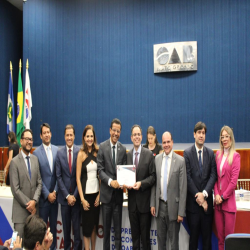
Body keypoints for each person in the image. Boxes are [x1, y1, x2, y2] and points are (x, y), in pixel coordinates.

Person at [150, 132, 187, 250]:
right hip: (159, 207)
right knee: (161, 243)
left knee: (174, 243)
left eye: (168, 142)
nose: (166, 145)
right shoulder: (157, 159)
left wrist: (181, 212)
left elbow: (183, 188)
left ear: (172, 142)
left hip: (174, 209)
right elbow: (154, 184)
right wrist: (152, 204)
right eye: (164, 142)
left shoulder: (180, 161)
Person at [184, 122, 217, 250]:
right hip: (193, 207)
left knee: (207, 242)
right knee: (193, 241)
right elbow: (187, 177)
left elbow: (213, 175)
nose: (201, 135)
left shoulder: (210, 153)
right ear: (194, 134)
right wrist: (198, 197)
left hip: (207, 207)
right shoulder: (187, 153)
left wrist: (204, 194)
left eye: (203, 133)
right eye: (199, 132)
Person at [97, 118, 127, 250]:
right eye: (114, 130)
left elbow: (125, 170)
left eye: (118, 131)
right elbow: (100, 170)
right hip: (106, 197)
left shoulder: (123, 149)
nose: (116, 133)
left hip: (118, 198)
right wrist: (110, 182)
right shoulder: (102, 147)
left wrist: (125, 182)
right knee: (107, 232)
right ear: (110, 130)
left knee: (118, 232)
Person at [126, 125, 156, 250]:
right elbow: (125, 176)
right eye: (135, 135)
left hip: (144, 206)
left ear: (141, 137)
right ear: (131, 138)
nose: (137, 137)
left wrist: (141, 184)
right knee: (135, 240)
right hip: (132, 205)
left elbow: (153, 177)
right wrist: (125, 184)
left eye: (139, 134)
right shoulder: (127, 156)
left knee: (145, 239)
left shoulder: (149, 154)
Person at [9, 129, 42, 238]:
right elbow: (15, 189)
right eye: (27, 139)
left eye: (31, 139)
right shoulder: (14, 162)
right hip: (20, 214)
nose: (29, 142)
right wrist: (30, 204)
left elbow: (39, 183)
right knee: (19, 246)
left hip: (34, 215)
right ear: (21, 141)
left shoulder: (35, 160)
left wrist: (35, 201)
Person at [214, 126, 240, 250]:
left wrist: (223, 196)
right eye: (222, 137)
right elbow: (215, 177)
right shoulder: (218, 154)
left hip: (228, 204)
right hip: (218, 204)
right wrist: (217, 195)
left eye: (226, 136)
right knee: (220, 239)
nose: (224, 139)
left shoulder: (236, 156)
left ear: (231, 138)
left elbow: (233, 182)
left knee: (229, 239)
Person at [33, 123, 58, 250]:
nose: (47, 134)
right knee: (42, 231)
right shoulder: (36, 153)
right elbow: (38, 178)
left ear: (51, 134)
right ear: (41, 135)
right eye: (44, 133)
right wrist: (47, 194)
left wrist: (54, 192)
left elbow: (59, 175)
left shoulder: (56, 150)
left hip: (55, 198)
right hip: (43, 199)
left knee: (53, 229)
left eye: (48, 132)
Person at [56, 124, 81, 250]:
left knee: (77, 231)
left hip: (76, 200)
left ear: (74, 136)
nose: (69, 137)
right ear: (64, 136)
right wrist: (67, 196)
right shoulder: (59, 153)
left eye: (71, 135)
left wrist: (74, 196)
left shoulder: (79, 152)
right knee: (66, 230)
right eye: (67, 135)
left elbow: (80, 177)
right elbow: (58, 177)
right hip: (64, 200)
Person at [76, 125, 100, 250]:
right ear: (84, 138)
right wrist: (82, 199)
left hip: (96, 197)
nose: (90, 139)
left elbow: (101, 176)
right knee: (86, 228)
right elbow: (78, 179)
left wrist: (100, 196)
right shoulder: (80, 154)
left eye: (91, 136)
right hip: (85, 197)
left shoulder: (97, 152)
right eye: (87, 136)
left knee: (94, 226)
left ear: (94, 137)